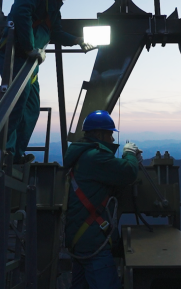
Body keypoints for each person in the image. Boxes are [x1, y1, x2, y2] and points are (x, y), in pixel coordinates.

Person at [0, 0, 93, 163]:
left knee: (31, 106)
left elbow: (55, 32)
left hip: (32, 62)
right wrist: (30, 47)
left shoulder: (54, 4)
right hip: (15, 54)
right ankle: (3, 152)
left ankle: (16, 153)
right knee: (17, 100)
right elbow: (22, 13)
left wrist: (77, 40)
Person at [63, 110, 141, 289]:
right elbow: (128, 172)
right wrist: (130, 153)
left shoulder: (83, 155)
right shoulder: (95, 157)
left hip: (80, 240)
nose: (113, 140)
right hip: (93, 243)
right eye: (110, 134)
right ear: (99, 134)